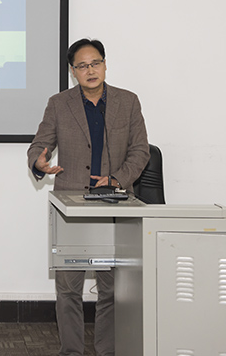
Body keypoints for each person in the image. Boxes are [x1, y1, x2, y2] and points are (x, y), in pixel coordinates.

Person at [27, 38, 149, 356]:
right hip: (72, 207)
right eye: (82, 66)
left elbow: (140, 150)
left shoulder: (128, 102)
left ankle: (107, 350)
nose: (90, 70)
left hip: (116, 205)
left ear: (105, 65)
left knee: (113, 290)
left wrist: (117, 179)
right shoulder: (59, 104)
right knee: (68, 290)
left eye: (95, 63)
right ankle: (71, 351)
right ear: (73, 71)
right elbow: (39, 144)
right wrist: (38, 162)